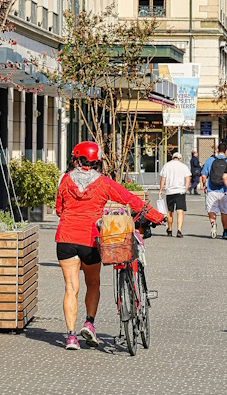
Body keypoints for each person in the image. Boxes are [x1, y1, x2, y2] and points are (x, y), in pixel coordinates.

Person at [55, 141, 165, 350]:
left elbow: (59, 209)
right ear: (97, 162)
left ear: (76, 159)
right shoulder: (103, 183)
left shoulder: (65, 181)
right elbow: (130, 199)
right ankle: (89, 323)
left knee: (71, 288)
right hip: (90, 241)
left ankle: (70, 337)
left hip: (66, 238)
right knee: (93, 283)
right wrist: (157, 216)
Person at [201, 143, 227, 239]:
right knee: (224, 211)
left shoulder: (210, 160)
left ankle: (213, 223)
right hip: (224, 190)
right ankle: (225, 232)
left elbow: (204, 175)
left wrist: (204, 185)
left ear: (217, 150)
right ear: (226, 151)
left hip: (211, 189)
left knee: (211, 210)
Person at [158, 152, 191, 238]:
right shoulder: (184, 166)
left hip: (170, 191)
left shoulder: (167, 165)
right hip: (180, 191)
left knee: (170, 211)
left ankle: (170, 229)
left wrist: (161, 190)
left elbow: (163, 179)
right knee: (180, 210)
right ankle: (179, 230)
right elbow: (188, 179)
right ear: (179, 158)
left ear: (172, 157)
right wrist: (185, 189)